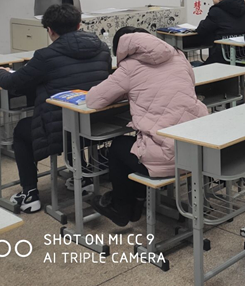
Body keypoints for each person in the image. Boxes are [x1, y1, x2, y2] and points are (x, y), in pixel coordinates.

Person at [0, 4, 111, 213]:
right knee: (69, 115)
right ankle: (83, 178)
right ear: (79, 25)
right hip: (96, 128)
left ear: (50, 30)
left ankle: (29, 194)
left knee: (22, 130)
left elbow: (14, 82)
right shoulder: (102, 49)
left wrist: (0, 72)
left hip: (61, 133)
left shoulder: (46, 56)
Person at [86, 27, 208, 226]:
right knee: (139, 143)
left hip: (167, 157)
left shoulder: (129, 67)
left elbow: (93, 100)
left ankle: (120, 208)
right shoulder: (179, 56)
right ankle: (138, 202)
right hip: (195, 147)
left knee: (119, 147)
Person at [193, 0, 245, 64]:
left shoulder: (216, 11)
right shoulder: (241, 8)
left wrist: (202, 22)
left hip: (222, 55)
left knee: (194, 64)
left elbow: (203, 29)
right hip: (242, 54)